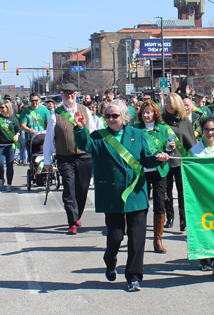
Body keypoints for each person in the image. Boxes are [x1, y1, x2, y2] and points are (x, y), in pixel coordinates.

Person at [73, 99, 169, 292]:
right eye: (107, 116)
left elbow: (146, 158)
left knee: (137, 237)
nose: (110, 119)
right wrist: (79, 128)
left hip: (135, 192)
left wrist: (159, 158)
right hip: (113, 194)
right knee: (116, 237)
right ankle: (110, 260)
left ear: (124, 117)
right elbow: (85, 144)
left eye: (114, 116)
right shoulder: (99, 136)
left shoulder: (137, 134)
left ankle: (133, 277)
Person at [44, 83, 96, 234]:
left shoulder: (85, 110)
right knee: (69, 188)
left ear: (76, 95)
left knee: (82, 188)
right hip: (65, 157)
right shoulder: (56, 114)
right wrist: (47, 161)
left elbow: (93, 132)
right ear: (62, 95)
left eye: (72, 93)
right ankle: (72, 221)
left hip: (84, 156)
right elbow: (49, 139)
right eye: (66, 94)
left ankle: (77, 214)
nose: (69, 96)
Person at [188, 117, 214, 275]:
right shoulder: (194, 151)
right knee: (203, 226)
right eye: (206, 129)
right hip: (200, 195)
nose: (209, 132)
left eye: (212, 129)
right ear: (201, 132)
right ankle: (204, 259)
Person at [132, 100, 170, 253]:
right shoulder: (134, 129)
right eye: (144, 112)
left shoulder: (162, 129)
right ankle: (138, 239)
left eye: (149, 112)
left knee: (160, 204)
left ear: (155, 113)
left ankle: (158, 240)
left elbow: (168, 148)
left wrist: (169, 149)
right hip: (142, 171)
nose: (146, 115)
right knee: (141, 206)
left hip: (159, 170)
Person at [162, 93, 197, 230]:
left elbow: (191, 143)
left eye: (172, 103)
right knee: (167, 191)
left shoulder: (184, 122)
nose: (169, 105)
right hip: (166, 161)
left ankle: (184, 219)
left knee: (183, 191)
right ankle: (169, 216)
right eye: (167, 103)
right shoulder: (161, 120)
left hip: (181, 161)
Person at [0, 100, 21, 192]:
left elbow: (19, 129)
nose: (0, 109)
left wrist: (16, 135)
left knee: (10, 165)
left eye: (2, 108)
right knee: (0, 164)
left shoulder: (13, 119)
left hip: (10, 145)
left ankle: (9, 184)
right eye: (0, 108)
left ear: (8, 108)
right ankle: (1, 179)